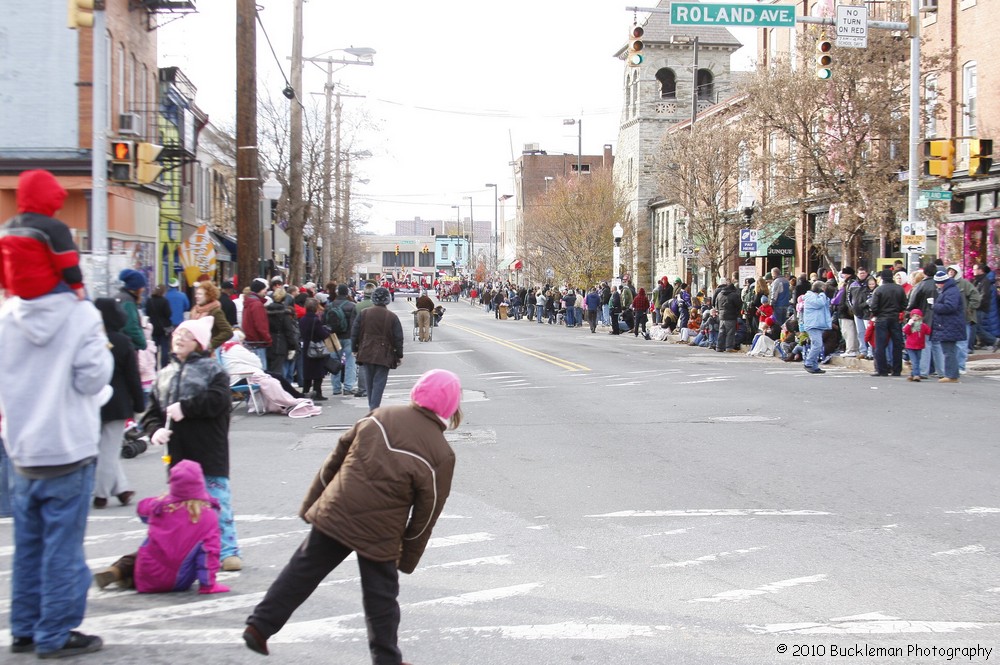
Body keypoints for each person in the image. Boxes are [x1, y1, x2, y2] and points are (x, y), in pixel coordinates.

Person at [243, 369, 462, 663]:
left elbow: (334, 461)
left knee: (303, 570)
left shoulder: (380, 416)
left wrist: (314, 504)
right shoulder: (441, 453)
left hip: (337, 509)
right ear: (451, 407)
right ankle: (386, 658)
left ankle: (259, 626)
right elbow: (427, 515)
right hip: (381, 531)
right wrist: (407, 556)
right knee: (381, 597)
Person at [0, 287, 113, 658]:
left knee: (29, 544)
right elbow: (92, 379)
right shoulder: (79, 315)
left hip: (21, 446)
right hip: (68, 445)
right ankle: (55, 630)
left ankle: (25, 627)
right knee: (62, 545)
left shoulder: (7, 315)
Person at [141, 316, 243, 571]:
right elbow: (152, 412)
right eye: (177, 334)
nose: (179, 338)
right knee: (181, 505)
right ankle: (186, 551)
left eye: (186, 336)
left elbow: (219, 401)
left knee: (217, 499)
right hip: (177, 453)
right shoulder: (165, 373)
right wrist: (154, 431)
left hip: (209, 448)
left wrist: (186, 407)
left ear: (198, 342)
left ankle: (227, 550)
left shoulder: (213, 370)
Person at [92, 460, 230, 595]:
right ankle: (126, 578)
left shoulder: (161, 507)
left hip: (147, 574)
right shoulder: (208, 516)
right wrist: (208, 585)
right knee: (193, 551)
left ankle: (118, 571)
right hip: (178, 580)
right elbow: (208, 554)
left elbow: (141, 511)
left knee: (137, 556)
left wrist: (163, 499)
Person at [0, 169, 86, 301]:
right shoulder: (55, 227)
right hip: (47, 289)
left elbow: (2, 262)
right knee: (89, 311)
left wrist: (6, 286)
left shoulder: (6, 227)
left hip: (18, 290)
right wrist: (77, 285)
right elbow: (66, 260)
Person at [92, 298, 144, 509]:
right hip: (118, 401)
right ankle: (101, 493)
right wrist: (139, 403)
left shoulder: (90, 339)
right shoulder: (122, 341)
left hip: (92, 401)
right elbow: (133, 376)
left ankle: (121, 489)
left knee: (102, 448)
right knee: (110, 449)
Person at [353, 286, 404, 411]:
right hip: (384, 353)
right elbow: (398, 338)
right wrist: (399, 354)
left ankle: (372, 406)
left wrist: (354, 348)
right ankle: (374, 407)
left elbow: (355, 332)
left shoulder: (363, 313)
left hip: (365, 350)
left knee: (369, 381)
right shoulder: (392, 317)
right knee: (379, 382)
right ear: (387, 300)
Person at [869, 268, 907, 377]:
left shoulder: (879, 290)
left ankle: (882, 369)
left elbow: (873, 307)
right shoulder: (899, 289)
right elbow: (904, 304)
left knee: (880, 345)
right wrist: (897, 310)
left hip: (881, 318)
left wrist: (877, 313)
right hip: (895, 317)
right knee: (897, 344)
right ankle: (897, 369)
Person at [931, 269, 965, 383]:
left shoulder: (950, 291)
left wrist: (935, 306)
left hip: (950, 325)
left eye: (937, 283)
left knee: (948, 351)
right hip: (950, 325)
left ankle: (951, 375)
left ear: (941, 282)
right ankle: (951, 374)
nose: (936, 285)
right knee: (949, 351)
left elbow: (950, 307)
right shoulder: (950, 290)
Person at [298, 298, 332, 402]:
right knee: (318, 372)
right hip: (316, 348)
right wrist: (326, 330)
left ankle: (305, 391)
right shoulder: (315, 320)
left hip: (306, 347)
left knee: (307, 372)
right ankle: (317, 392)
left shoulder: (302, 319)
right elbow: (322, 334)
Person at [328, 284, 359, 396]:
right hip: (348, 337)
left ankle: (336, 388)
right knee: (350, 362)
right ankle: (348, 387)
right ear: (347, 293)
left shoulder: (330, 305)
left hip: (333, 337)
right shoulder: (352, 306)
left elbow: (325, 321)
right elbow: (355, 324)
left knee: (335, 361)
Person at [265, 287, 300, 379]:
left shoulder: (266, 311)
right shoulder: (284, 313)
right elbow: (288, 331)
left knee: (269, 369)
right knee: (278, 371)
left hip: (268, 343)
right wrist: (293, 346)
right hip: (281, 344)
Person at [190, 280, 233, 352]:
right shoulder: (195, 310)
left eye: (200, 294)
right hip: (194, 350)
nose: (196, 296)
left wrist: (210, 344)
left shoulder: (215, 311)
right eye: (196, 294)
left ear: (208, 296)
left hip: (207, 352)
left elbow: (228, 332)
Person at [801, 280, 832, 374]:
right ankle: (808, 363)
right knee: (817, 345)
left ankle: (814, 366)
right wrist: (823, 294)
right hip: (812, 324)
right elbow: (820, 304)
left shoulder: (818, 297)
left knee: (818, 345)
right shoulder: (810, 297)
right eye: (824, 289)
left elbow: (827, 303)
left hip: (818, 324)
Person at [116, 269, 148, 350]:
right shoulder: (128, 302)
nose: (143, 289)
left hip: (119, 344)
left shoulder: (119, 297)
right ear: (135, 288)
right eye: (142, 287)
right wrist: (142, 343)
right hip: (127, 347)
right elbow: (131, 327)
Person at [242, 278, 272, 368]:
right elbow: (260, 325)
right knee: (261, 369)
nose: (265, 292)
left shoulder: (249, 302)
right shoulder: (257, 304)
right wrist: (268, 339)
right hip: (258, 343)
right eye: (265, 290)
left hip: (250, 341)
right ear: (260, 290)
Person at [146, 283, 174, 368]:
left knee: (154, 349)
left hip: (153, 328)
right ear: (163, 291)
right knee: (165, 348)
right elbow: (168, 314)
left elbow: (147, 313)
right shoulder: (164, 301)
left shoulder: (149, 300)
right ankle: (163, 367)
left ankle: (153, 367)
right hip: (164, 328)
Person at [903, 308, 930, 382]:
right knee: (914, 361)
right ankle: (916, 375)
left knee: (917, 360)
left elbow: (928, 332)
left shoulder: (923, 326)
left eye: (917, 316)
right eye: (913, 316)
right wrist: (909, 324)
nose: (915, 318)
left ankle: (912, 374)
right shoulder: (910, 325)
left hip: (919, 346)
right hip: (910, 346)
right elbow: (905, 331)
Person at [716, 278, 742, 352]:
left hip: (721, 315)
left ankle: (719, 347)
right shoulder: (734, 295)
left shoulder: (719, 294)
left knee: (721, 331)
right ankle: (729, 347)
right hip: (731, 316)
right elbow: (739, 305)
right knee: (730, 332)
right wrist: (737, 313)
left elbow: (716, 304)